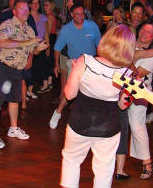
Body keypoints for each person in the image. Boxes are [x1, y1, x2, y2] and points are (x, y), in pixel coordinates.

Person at [60, 24, 136, 188]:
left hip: (80, 123)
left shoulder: (85, 61)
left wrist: (75, 72)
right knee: (104, 170)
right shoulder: (127, 74)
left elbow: (69, 94)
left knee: (71, 161)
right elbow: (123, 106)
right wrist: (131, 93)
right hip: (108, 128)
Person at [0, 0, 48, 149]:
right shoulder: (7, 25)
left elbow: (33, 50)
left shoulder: (29, 30)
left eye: (27, 9)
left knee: (15, 98)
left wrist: (39, 48)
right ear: (14, 11)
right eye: (22, 9)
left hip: (17, 69)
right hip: (2, 66)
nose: (26, 12)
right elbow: (3, 43)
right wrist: (26, 43)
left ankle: (13, 128)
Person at [49, 4, 101, 129]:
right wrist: (56, 64)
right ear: (71, 15)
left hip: (91, 64)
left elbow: (100, 45)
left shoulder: (92, 26)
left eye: (82, 13)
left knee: (90, 93)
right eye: (77, 14)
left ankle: (87, 119)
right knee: (70, 92)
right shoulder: (66, 29)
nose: (80, 16)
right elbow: (57, 48)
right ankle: (57, 113)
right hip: (75, 63)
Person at [128, 18, 153, 179]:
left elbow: (136, 74)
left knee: (136, 125)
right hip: (120, 88)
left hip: (140, 92)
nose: (144, 33)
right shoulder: (132, 43)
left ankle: (147, 162)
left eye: (149, 32)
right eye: (143, 29)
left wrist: (130, 57)